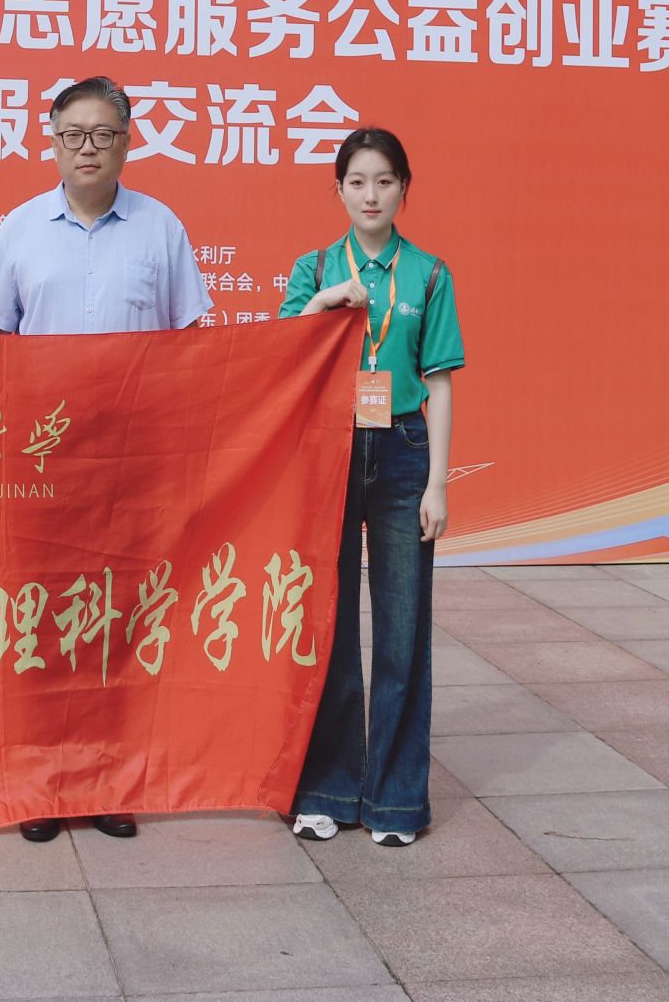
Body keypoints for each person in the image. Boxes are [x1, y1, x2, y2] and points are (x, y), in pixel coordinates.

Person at [0, 75, 210, 842]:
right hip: (41, 461)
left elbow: (192, 343)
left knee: (119, 621)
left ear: (127, 141)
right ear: (53, 141)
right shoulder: (21, 228)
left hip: (130, 462)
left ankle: (108, 781)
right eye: (72, 134)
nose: (87, 148)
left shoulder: (161, 228)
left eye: (102, 134)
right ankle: (41, 785)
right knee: (42, 620)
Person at [279, 126, 464, 847]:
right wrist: (326, 301)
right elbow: (282, 353)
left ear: (404, 189)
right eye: (357, 182)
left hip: (405, 448)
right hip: (328, 448)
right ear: (338, 190)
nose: (371, 195)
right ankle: (325, 788)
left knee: (401, 629)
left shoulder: (429, 274)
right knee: (327, 624)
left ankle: (393, 800)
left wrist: (437, 484)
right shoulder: (315, 267)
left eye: (384, 181)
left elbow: (439, 382)